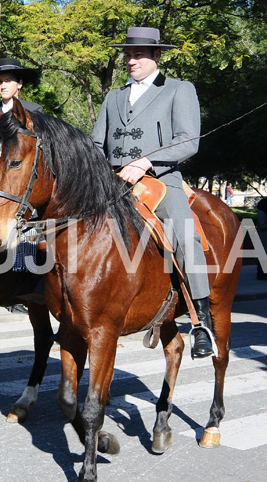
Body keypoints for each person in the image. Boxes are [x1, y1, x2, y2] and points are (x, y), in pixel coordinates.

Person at [91, 26, 213, 358]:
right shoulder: (113, 97)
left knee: (186, 236)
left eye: (139, 55)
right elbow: (96, 144)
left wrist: (145, 161)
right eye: (129, 55)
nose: (132, 60)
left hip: (160, 181)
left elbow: (189, 140)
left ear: (157, 56)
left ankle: (203, 322)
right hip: (113, 183)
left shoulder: (178, 89)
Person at [0, 57, 43, 149]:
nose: (3, 86)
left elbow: (39, 146)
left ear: (19, 84)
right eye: (0, 82)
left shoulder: (34, 110)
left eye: (8, 81)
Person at [255, 197, 267, 280]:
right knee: (265, 256)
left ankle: (266, 274)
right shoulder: (261, 214)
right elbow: (262, 226)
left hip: (266, 236)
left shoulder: (263, 213)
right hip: (264, 237)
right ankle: (263, 275)